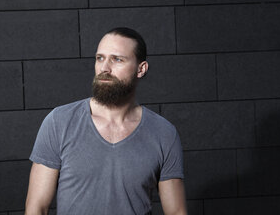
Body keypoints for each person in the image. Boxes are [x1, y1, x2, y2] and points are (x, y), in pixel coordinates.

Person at [25, 27, 187, 215]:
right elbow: (37, 207)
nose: (104, 68)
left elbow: (177, 212)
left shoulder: (163, 133)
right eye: (100, 58)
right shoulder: (59, 122)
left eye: (117, 59)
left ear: (141, 69)